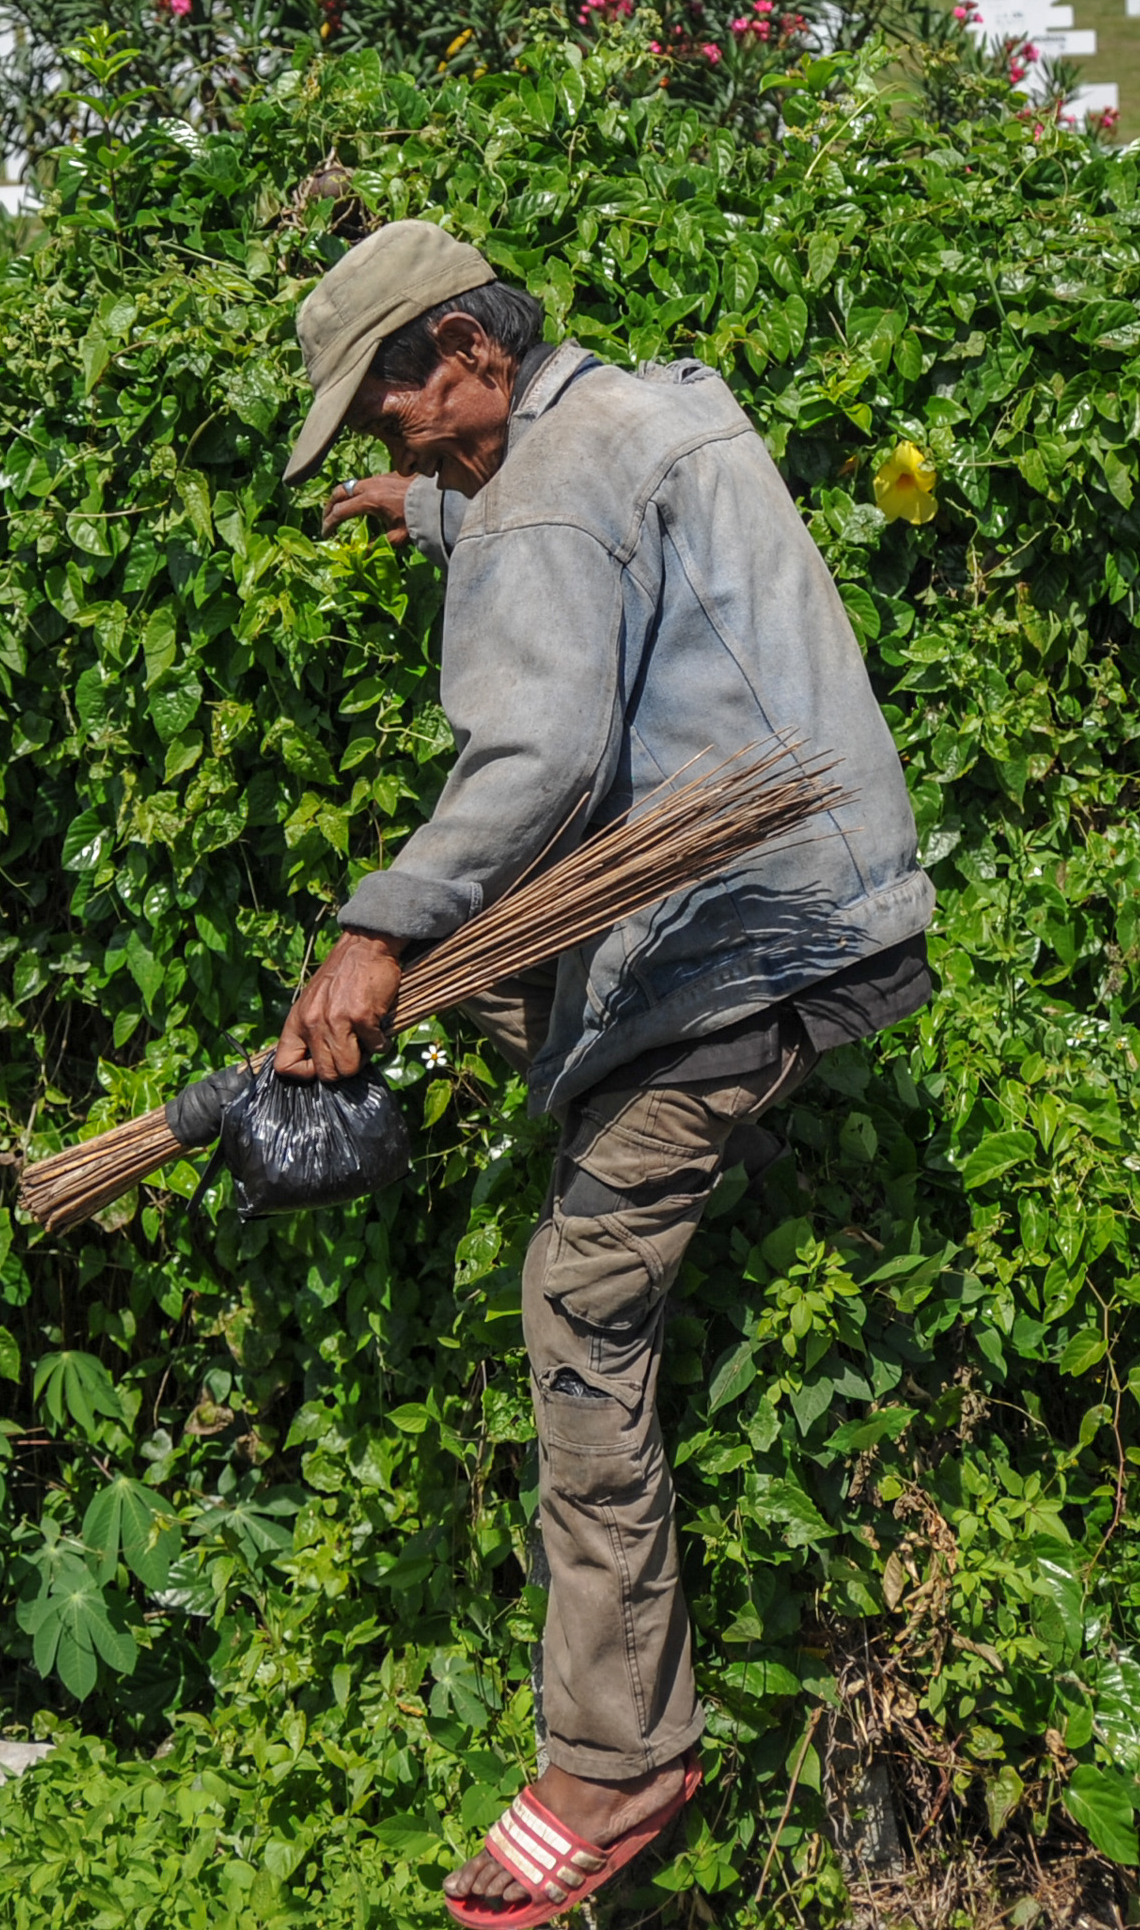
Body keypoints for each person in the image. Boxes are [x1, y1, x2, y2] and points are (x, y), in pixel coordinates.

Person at [269, 219, 935, 1930]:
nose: (386, 446)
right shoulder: (641, 414)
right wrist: (427, 515)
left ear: (463, 353)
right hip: (837, 901)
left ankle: (617, 1748)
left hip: (740, 945)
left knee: (574, 1301)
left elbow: (547, 741)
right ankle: (529, 1062)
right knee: (504, 1018)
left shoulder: (548, 494)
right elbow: (582, 546)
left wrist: (377, 929)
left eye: (390, 417)